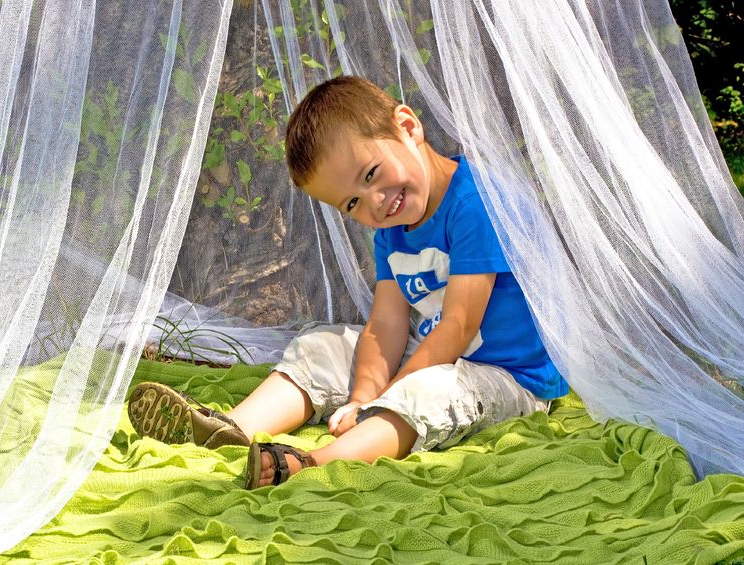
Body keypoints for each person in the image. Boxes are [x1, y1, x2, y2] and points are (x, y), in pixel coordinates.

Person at [128, 76, 568, 489]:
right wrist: (361, 396)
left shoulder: (473, 203)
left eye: (372, 174)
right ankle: (229, 428)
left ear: (408, 127)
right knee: (325, 344)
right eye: (353, 202)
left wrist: (386, 396)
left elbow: (457, 327)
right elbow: (387, 324)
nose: (375, 204)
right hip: (435, 354)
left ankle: (317, 462)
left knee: (426, 392)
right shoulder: (391, 231)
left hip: (509, 377)